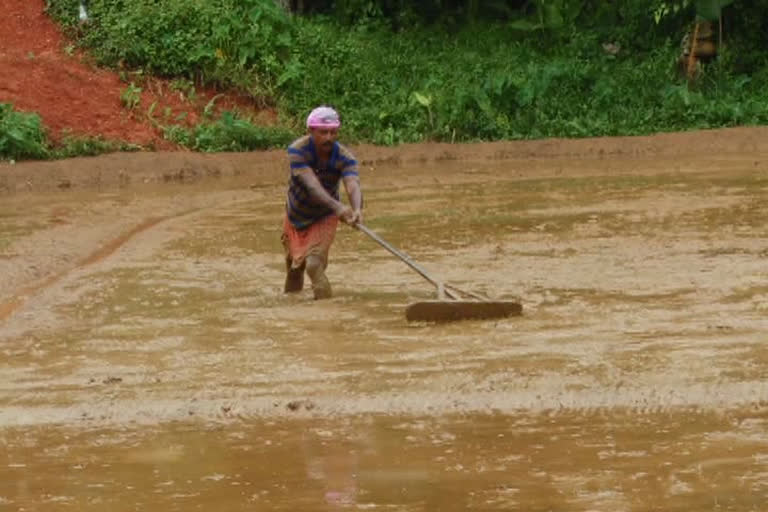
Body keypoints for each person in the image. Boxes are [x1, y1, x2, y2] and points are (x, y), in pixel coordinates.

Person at [281, 105, 363, 299]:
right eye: (323, 132)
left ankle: (325, 313)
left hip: (324, 215)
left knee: (314, 265)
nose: (328, 138)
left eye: (333, 132)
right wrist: (339, 207)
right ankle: (292, 307)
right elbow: (312, 185)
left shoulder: (345, 157)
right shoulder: (297, 151)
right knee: (294, 269)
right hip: (296, 215)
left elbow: (352, 184)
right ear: (311, 131)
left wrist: (357, 209)